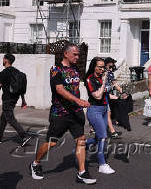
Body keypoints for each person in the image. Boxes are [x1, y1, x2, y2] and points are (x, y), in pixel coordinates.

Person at [30, 43, 96, 185]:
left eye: (78, 54)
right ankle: (35, 163)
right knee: (52, 143)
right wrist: (78, 101)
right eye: (75, 54)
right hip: (60, 113)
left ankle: (82, 172)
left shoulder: (76, 69)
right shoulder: (55, 69)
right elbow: (59, 89)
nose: (77, 57)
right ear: (66, 54)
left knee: (81, 140)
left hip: (76, 113)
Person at [85, 57, 115, 175]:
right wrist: (103, 82)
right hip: (94, 110)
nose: (103, 69)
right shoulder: (90, 79)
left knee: (100, 137)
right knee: (103, 137)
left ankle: (83, 144)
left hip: (103, 110)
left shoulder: (101, 77)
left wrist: (120, 97)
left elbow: (105, 94)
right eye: (100, 67)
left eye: (104, 67)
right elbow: (97, 95)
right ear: (94, 67)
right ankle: (102, 164)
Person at [0, 54, 31, 145]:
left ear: (6, 60)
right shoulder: (18, 72)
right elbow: (21, 88)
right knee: (3, 118)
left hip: (7, 99)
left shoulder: (3, 73)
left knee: (10, 118)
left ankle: (24, 136)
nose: (3, 60)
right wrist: (23, 100)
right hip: (14, 99)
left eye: (3, 59)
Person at [104, 57, 123, 139]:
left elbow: (114, 83)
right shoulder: (103, 72)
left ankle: (93, 128)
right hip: (103, 95)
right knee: (107, 113)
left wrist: (121, 90)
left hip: (108, 94)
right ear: (108, 63)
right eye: (112, 63)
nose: (114, 65)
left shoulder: (110, 73)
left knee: (107, 112)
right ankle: (112, 132)